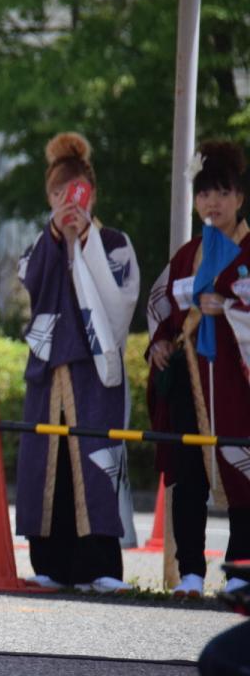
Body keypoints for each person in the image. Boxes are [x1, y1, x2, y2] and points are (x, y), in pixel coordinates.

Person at [15, 133, 140, 593]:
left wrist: (84, 240)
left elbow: (122, 302)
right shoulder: (41, 243)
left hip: (95, 371)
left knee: (96, 461)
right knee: (48, 464)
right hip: (48, 372)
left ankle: (100, 565)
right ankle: (49, 562)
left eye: (74, 194)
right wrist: (56, 238)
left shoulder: (113, 242)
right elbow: (27, 281)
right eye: (57, 194)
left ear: (91, 194)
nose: (66, 203)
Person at [146, 140, 250, 597]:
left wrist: (228, 306)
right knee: (187, 474)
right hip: (191, 379)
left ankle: (241, 572)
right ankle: (190, 571)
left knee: (244, 471)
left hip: (236, 383)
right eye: (205, 193)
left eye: (222, 192)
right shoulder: (188, 255)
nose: (212, 202)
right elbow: (160, 304)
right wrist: (160, 344)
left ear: (240, 197)